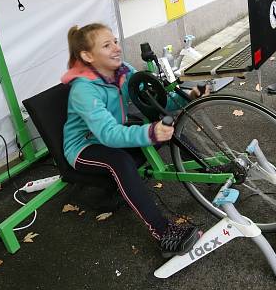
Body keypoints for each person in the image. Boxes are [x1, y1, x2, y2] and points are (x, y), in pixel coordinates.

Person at [62, 23, 206, 258]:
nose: (116, 48)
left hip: (112, 133)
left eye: (115, 42)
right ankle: (164, 234)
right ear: (87, 55)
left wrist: (187, 96)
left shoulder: (123, 71)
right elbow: (107, 134)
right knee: (120, 161)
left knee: (170, 129)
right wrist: (150, 132)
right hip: (83, 147)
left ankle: (210, 171)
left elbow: (155, 103)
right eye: (107, 45)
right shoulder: (83, 90)